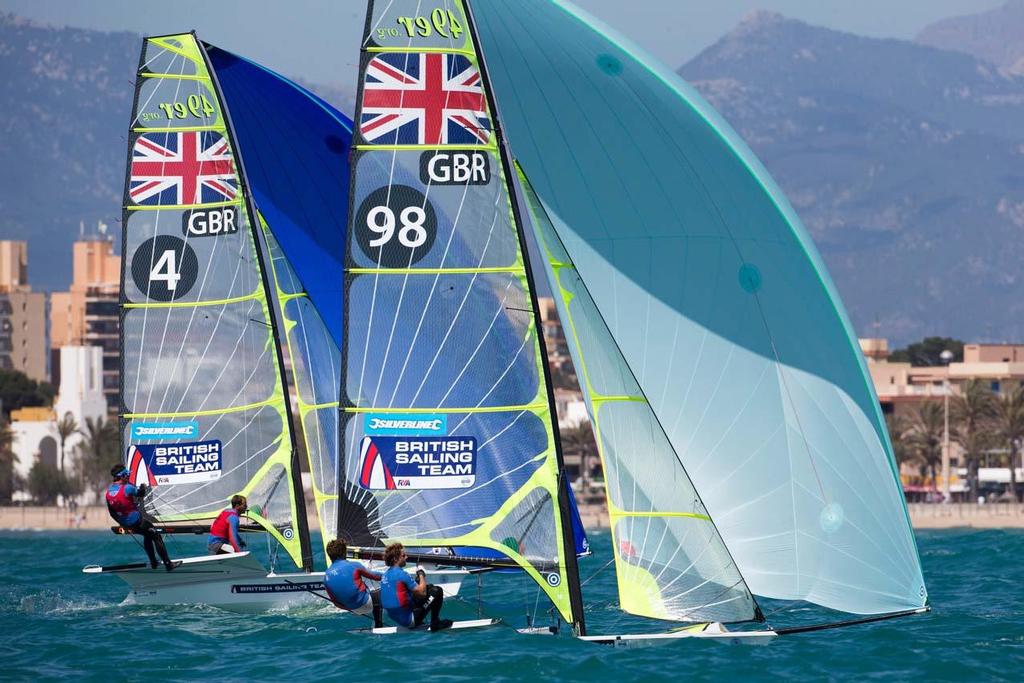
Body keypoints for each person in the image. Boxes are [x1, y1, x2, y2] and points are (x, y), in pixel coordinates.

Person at [105, 464, 173, 571]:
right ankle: (168, 564)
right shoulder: (128, 488)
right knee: (156, 536)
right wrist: (143, 487)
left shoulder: (108, 493)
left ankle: (154, 562)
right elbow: (141, 494)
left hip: (127, 523)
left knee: (147, 535)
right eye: (127, 474)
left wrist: (122, 523)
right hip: (138, 521)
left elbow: (112, 513)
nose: (128, 476)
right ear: (122, 476)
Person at [379, 542, 452, 631]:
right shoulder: (401, 574)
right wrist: (421, 574)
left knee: (428, 587)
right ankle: (435, 623)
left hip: (396, 618)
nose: (406, 557)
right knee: (437, 591)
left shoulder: (385, 574)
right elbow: (423, 593)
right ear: (395, 559)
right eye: (403, 555)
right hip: (409, 621)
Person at [323, 539, 384, 628]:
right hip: (367, 604)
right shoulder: (354, 565)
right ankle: (379, 624)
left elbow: (336, 603)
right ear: (344, 552)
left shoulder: (326, 576)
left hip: (353, 609)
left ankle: (376, 622)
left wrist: (351, 609)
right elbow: (376, 576)